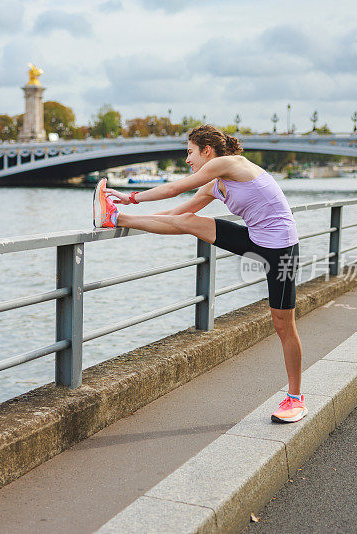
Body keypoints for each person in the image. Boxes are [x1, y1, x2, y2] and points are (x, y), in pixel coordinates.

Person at [93, 124, 306, 423]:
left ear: (207, 150)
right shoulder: (215, 183)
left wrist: (130, 197)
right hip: (255, 239)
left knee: (283, 324)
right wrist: (123, 214)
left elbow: (173, 188)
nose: (188, 160)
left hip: (281, 248)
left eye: (190, 152)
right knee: (189, 220)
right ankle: (111, 218)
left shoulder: (228, 163)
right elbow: (177, 214)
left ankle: (296, 398)